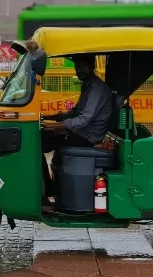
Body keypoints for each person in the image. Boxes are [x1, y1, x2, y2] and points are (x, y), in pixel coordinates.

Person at [40, 54, 113, 198]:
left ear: (92, 66)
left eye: (83, 66)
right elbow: (75, 112)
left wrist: (57, 127)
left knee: (40, 143)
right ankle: (48, 189)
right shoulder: (87, 86)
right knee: (41, 138)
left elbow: (84, 119)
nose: (79, 70)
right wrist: (51, 117)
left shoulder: (97, 89)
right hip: (80, 133)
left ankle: (46, 192)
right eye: (77, 67)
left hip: (87, 138)